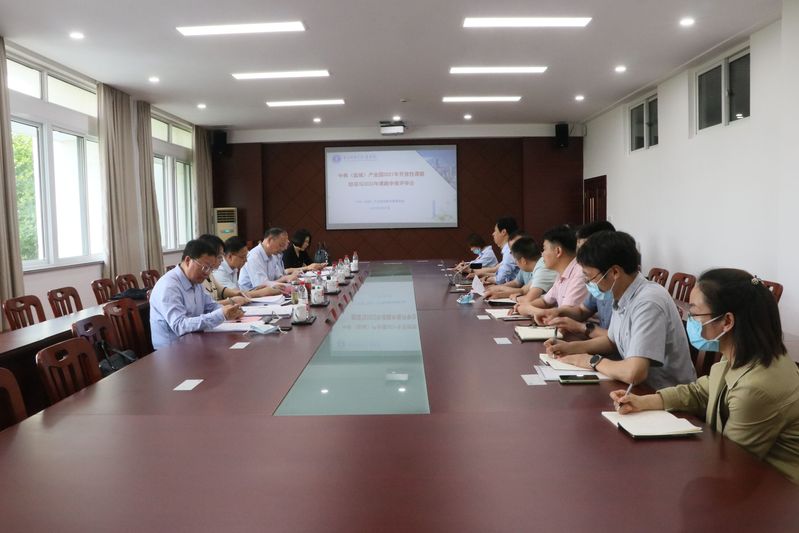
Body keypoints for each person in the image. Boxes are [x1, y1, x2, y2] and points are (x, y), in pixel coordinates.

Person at [611, 269, 799, 484]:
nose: (689, 319)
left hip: (778, 492)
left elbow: (730, 461)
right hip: (746, 481)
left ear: (727, 321)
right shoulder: (741, 353)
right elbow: (700, 392)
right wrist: (643, 402)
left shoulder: (757, 388)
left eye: (694, 313)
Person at [545, 231, 696, 389]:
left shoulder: (648, 302)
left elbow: (634, 373)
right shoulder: (622, 293)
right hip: (639, 390)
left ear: (615, 272)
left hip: (666, 395)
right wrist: (571, 348)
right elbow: (612, 341)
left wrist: (590, 361)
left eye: (590, 277)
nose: (588, 283)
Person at [149, 239, 244, 350]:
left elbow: (210, 306)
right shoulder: (169, 286)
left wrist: (230, 311)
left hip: (194, 341)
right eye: (205, 267)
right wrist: (221, 315)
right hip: (171, 351)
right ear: (188, 260)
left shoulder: (195, 281)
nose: (207, 273)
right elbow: (180, 326)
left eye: (211, 269)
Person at [534, 221, 616, 338]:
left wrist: (580, 328)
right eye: (579, 249)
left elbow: (615, 340)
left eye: (585, 250)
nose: (580, 256)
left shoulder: (624, 290)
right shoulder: (598, 282)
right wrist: (558, 312)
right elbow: (582, 311)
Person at [514, 224, 587, 319]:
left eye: (544, 249)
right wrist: (525, 305)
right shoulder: (561, 273)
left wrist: (529, 309)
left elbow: (565, 313)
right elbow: (545, 301)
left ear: (558, 251)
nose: (542, 254)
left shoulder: (580, 273)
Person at [483, 236, 557, 301]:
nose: (542, 254)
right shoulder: (539, 266)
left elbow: (528, 298)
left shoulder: (543, 268)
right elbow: (523, 290)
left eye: (545, 249)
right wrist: (498, 290)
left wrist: (511, 296)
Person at [214, 236, 283, 298]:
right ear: (230, 256)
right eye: (242, 257)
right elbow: (235, 294)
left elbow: (238, 292)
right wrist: (263, 292)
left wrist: (255, 290)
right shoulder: (219, 271)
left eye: (246, 256)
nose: (246, 260)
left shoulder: (233, 268)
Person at [471, 216, 519, 285]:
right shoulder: (481, 253)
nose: (493, 234)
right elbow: (497, 271)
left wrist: (470, 268)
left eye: (495, 231)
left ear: (503, 232)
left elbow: (499, 278)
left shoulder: (490, 253)